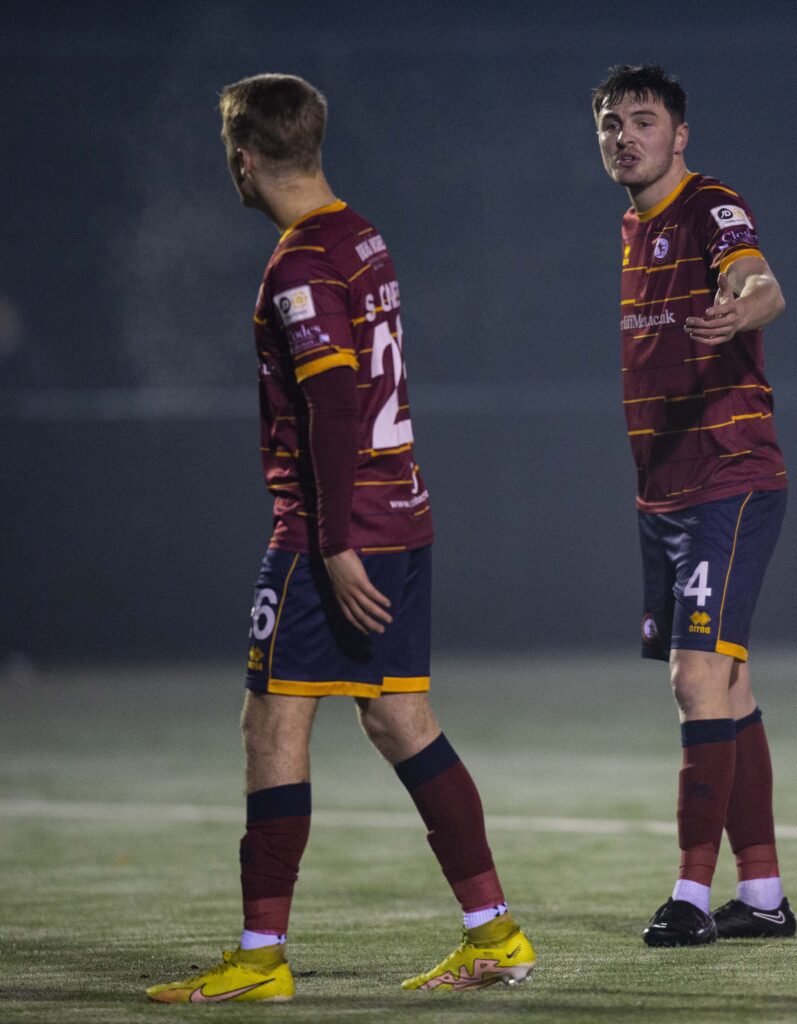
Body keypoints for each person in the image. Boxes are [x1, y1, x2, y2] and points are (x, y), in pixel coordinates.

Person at [146, 73, 535, 1003]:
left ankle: (260, 956)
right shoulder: (361, 234)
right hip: (402, 512)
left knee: (272, 722)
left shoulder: (300, 263)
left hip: (338, 528)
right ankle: (496, 935)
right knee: (398, 715)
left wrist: (329, 542)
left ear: (244, 160)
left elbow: (331, 404)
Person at [592, 64, 796, 946]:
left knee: (694, 677)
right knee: (731, 684)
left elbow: (762, 282)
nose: (624, 136)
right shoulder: (633, 226)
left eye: (643, 121)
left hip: (728, 476)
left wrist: (743, 306)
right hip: (664, 493)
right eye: (609, 123)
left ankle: (687, 895)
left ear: (680, 136)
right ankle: (761, 897)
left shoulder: (710, 205)